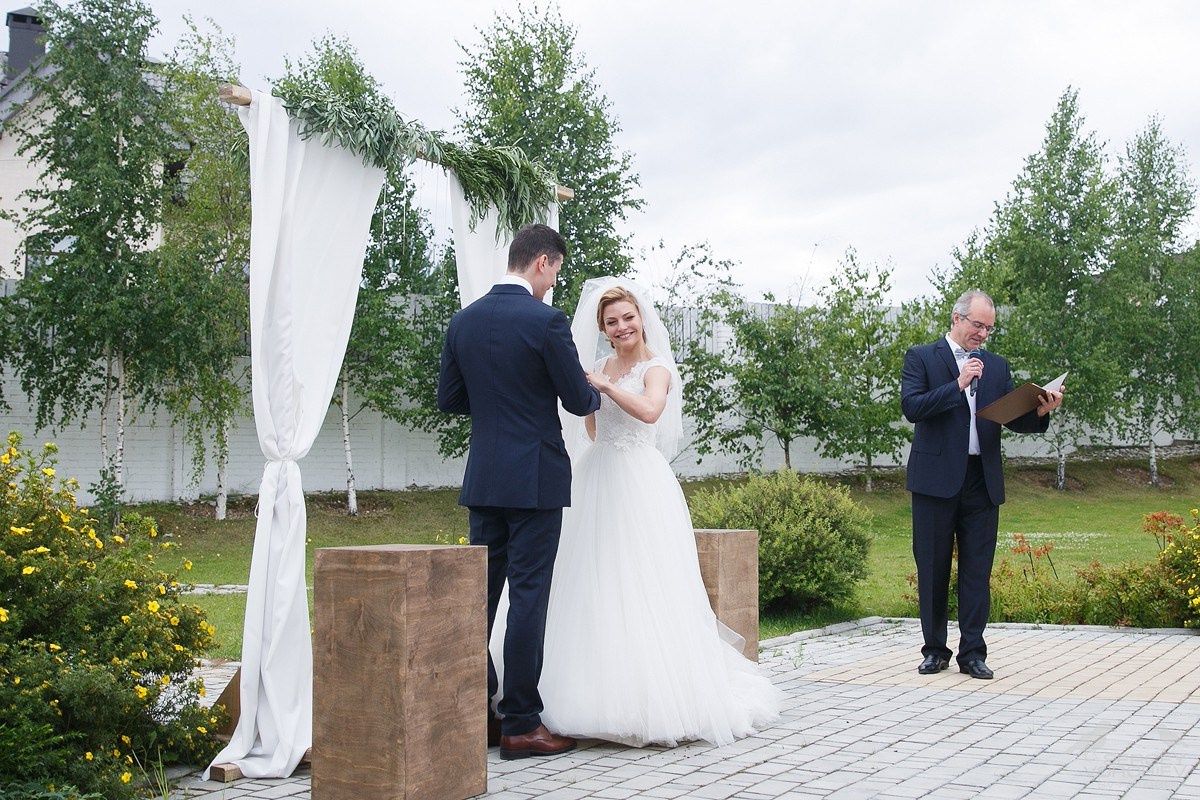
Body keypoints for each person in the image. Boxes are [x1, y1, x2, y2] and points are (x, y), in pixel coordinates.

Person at [494, 276, 782, 747]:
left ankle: (652, 697)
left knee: (642, 577)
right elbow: (592, 429)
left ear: (641, 319)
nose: (621, 326)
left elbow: (650, 411)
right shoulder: (598, 366)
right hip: (597, 473)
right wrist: (593, 394)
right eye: (611, 322)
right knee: (588, 575)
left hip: (640, 480)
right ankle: (573, 691)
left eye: (628, 317)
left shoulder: (657, 367)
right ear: (603, 329)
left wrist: (607, 388)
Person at [437, 223, 601, 760]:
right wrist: (590, 390)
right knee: (528, 597)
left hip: (485, 478)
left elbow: (450, 399)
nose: (553, 284)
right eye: (555, 272)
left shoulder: (463, 321)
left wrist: (498, 403)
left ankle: (477, 705)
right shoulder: (546, 321)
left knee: (478, 597)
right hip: (535, 480)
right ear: (543, 262)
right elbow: (578, 400)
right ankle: (522, 723)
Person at [901, 290, 1063, 680]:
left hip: (981, 480)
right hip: (935, 482)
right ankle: (934, 650)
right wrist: (958, 383)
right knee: (933, 568)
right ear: (957, 318)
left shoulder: (997, 365)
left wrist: (1041, 412)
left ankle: (972, 653)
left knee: (977, 571)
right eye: (978, 325)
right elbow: (912, 407)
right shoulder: (921, 357)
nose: (983, 334)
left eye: (989, 328)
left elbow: (1010, 417)